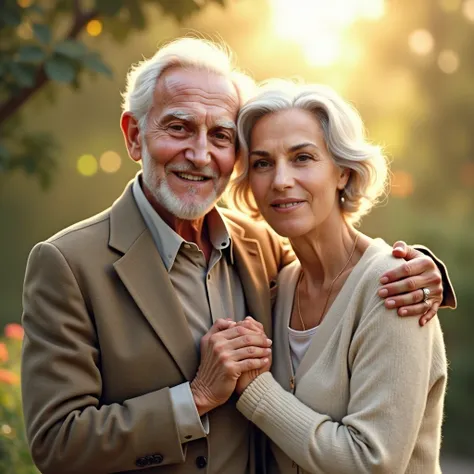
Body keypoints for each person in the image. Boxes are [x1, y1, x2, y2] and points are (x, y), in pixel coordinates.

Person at [20, 38, 453, 474]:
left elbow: (350, 271)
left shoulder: (262, 248)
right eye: (179, 128)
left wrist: (419, 268)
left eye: (221, 136)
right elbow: (57, 445)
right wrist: (195, 398)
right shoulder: (67, 264)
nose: (201, 154)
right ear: (135, 137)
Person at [231, 81, 448, 473]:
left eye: (302, 157)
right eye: (263, 163)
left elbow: (371, 464)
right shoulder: (280, 285)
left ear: (343, 173)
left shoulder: (394, 287)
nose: (280, 179)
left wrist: (256, 391)